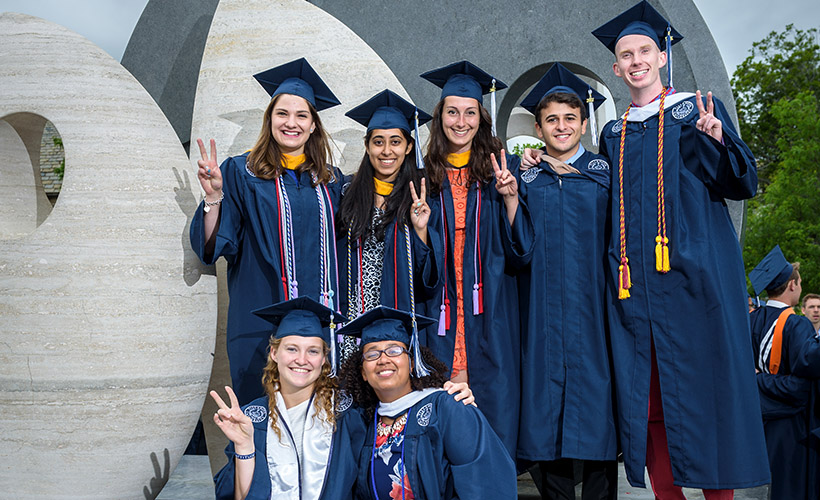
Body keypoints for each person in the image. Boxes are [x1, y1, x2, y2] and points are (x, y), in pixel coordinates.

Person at [590, 1, 770, 497]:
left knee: (708, 398)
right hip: (639, 292)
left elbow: (743, 182)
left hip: (697, 284)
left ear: (662, 55)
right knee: (652, 405)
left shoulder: (698, 108)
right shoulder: (614, 131)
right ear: (616, 67)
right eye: (625, 55)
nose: (635, 61)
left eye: (644, 50)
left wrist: (717, 141)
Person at [191, 58, 345, 404]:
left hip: (320, 329)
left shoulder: (331, 183)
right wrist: (214, 196)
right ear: (270, 119)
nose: (291, 123)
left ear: (313, 125)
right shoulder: (240, 173)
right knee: (259, 420)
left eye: (301, 115)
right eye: (282, 114)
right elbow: (215, 245)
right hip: (260, 326)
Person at [417, 60, 534, 458]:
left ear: (481, 119)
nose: (461, 121)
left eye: (470, 113)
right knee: (443, 428)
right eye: (452, 112)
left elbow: (522, 250)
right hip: (441, 310)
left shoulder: (502, 171)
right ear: (440, 117)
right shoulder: (424, 178)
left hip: (493, 312)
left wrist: (511, 197)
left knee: (493, 417)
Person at [515, 62, 617, 500]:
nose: (561, 127)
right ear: (538, 126)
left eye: (570, 118)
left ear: (584, 122)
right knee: (547, 420)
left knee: (597, 421)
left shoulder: (604, 174)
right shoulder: (523, 178)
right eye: (552, 119)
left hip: (595, 315)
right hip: (542, 316)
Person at [338, 306, 517, 499]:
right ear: (364, 372)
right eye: (372, 354)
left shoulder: (446, 407)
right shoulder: (362, 421)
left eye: (394, 350)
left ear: (412, 362)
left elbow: (485, 482)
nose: (383, 360)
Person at [210, 296, 363, 500]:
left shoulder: (345, 415)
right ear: (274, 353)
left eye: (313, 351)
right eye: (292, 349)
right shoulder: (252, 419)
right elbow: (241, 497)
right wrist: (244, 445)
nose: (301, 360)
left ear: (323, 359)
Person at [337, 90, 440, 360]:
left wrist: (420, 230)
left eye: (395, 142)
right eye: (378, 142)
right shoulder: (345, 192)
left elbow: (427, 279)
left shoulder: (421, 196)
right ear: (367, 145)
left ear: (408, 147)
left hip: (399, 315)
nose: (386, 151)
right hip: (353, 319)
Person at [748, 246, 820, 500]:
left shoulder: (750, 320)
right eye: (799, 282)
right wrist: (761, 379)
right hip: (792, 426)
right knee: (791, 489)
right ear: (792, 285)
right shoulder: (796, 323)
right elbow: (805, 379)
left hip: (757, 419)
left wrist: (755, 380)